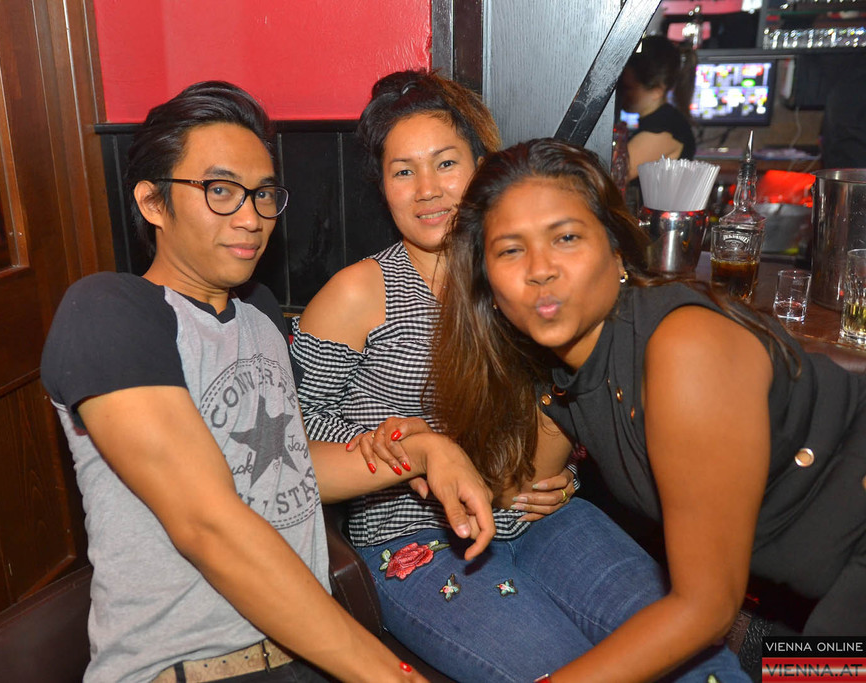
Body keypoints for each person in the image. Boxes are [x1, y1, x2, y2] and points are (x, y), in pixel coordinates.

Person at [293, 71, 746, 682]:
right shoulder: (358, 293)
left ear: (481, 167)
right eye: (403, 171)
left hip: (542, 519)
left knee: (698, 660)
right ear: (382, 186)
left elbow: (566, 401)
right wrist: (395, 447)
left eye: (445, 163)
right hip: (416, 538)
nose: (427, 190)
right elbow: (291, 442)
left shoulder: (522, 274)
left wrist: (564, 470)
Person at [39, 81, 494, 683]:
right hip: (188, 668)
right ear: (152, 203)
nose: (251, 218)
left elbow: (290, 468)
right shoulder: (111, 311)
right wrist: (388, 674)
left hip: (303, 652)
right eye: (220, 191)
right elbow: (208, 526)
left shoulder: (257, 315)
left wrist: (427, 450)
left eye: (262, 194)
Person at [430, 136, 866, 681]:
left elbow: (705, 607)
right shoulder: (562, 369)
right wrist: (427, 448)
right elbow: (518, 489)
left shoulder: (684, 349)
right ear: (488, 285)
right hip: (802, 586)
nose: (540, 269)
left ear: (617, 251)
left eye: (566, 237)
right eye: (510, 250)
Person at [618, 35, 697, 181]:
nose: (620, 94)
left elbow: (611, 176)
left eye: (628, 88)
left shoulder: (662, 130)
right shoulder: (662, 121)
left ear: (657, 91)